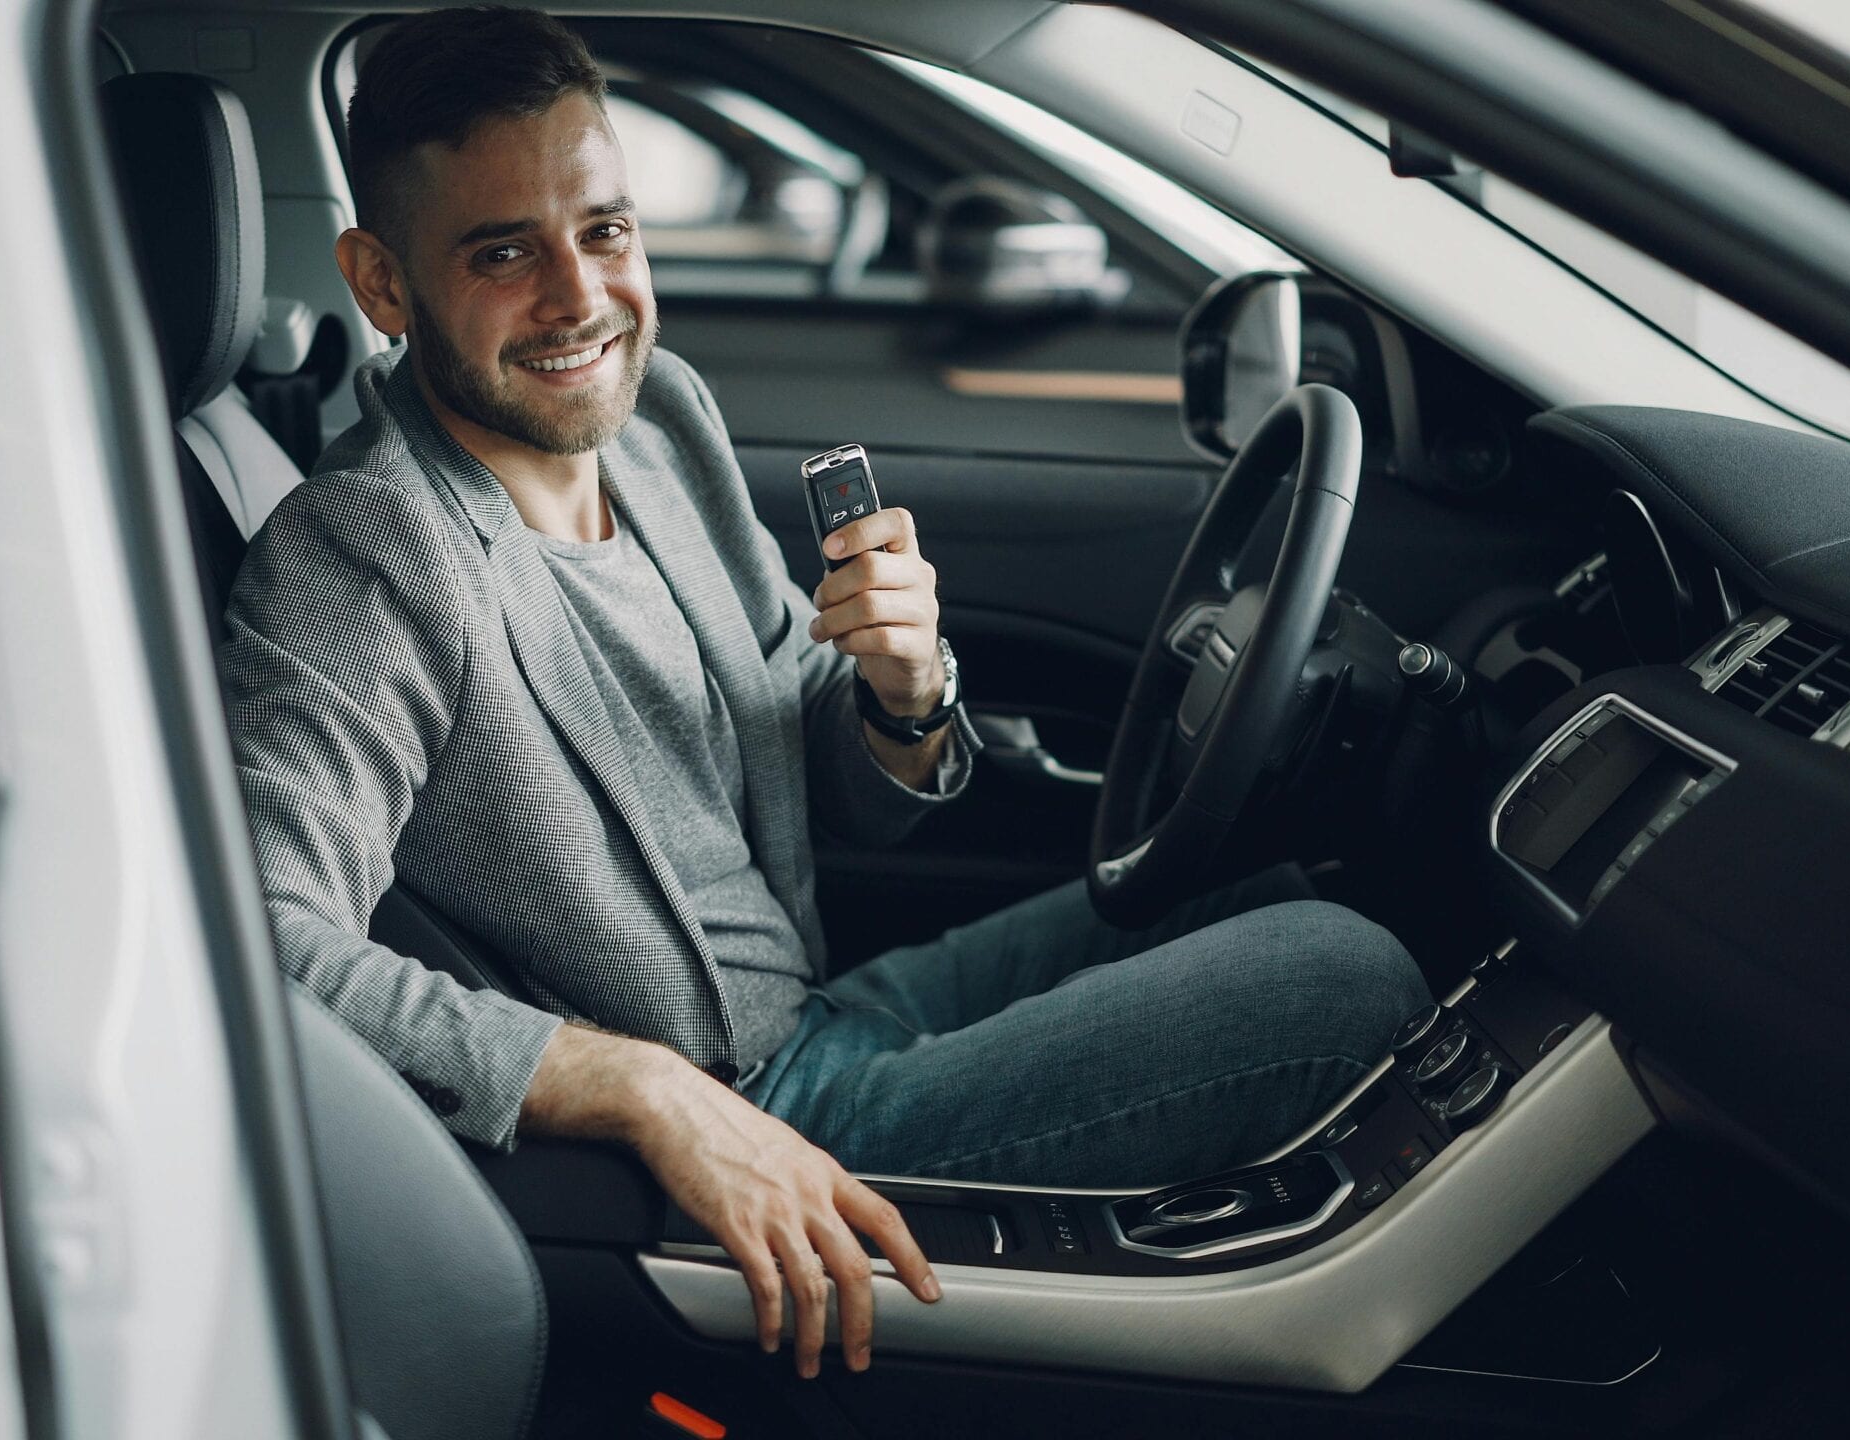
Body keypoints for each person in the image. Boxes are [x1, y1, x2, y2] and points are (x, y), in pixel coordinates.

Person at [219, 5, 1427, 1382]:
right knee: (1342, 975)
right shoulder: (367, 556)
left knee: (1275, 891)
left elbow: (821, 755)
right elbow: (255, 940)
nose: (578, 299)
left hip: (822, 1005)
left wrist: (904, 690)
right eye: (503, 254)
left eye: (604, 231)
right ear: (382, 285)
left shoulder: (656, 420)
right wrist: (630, 1085)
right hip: (748, 1118)